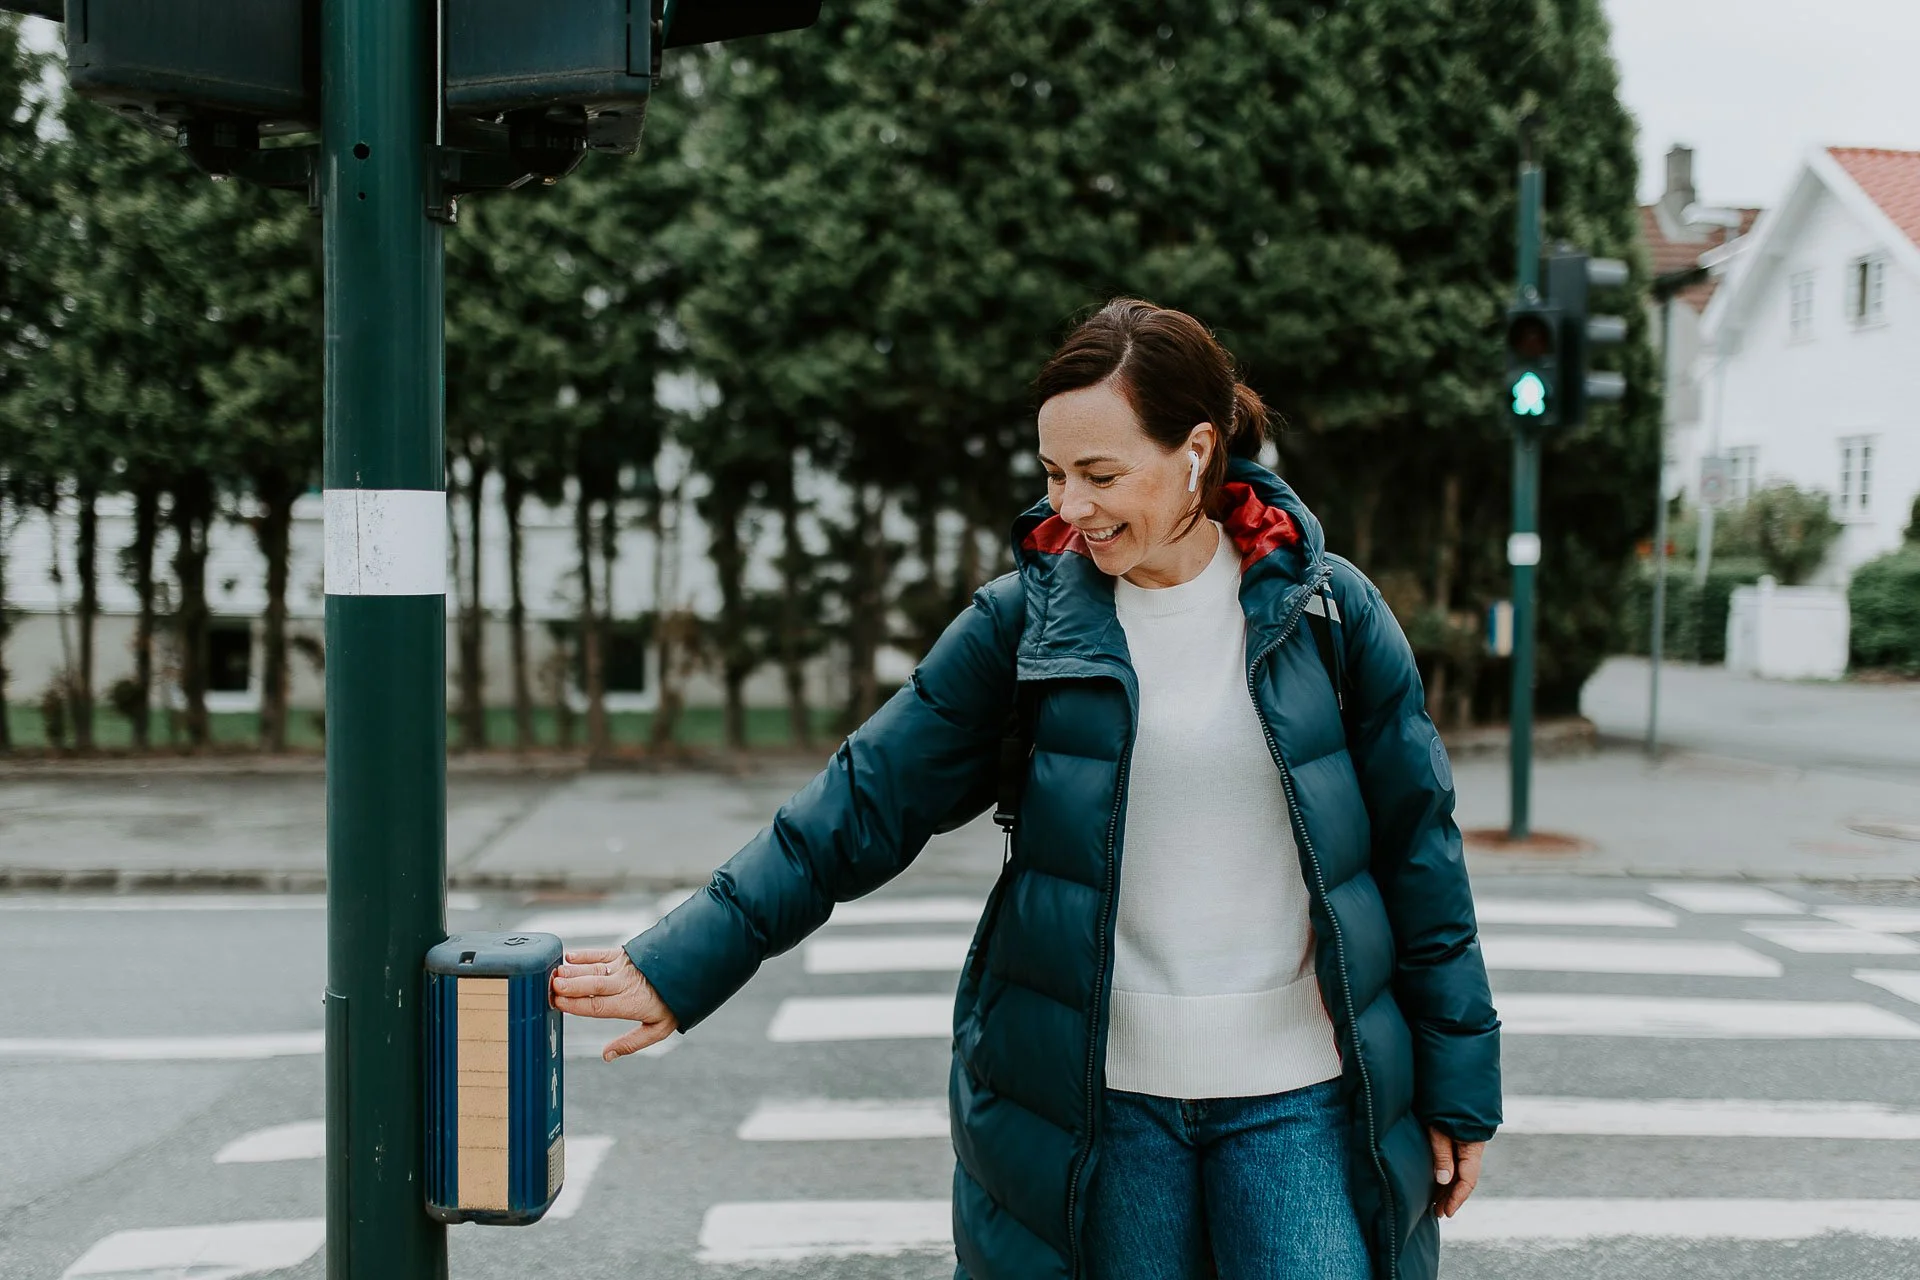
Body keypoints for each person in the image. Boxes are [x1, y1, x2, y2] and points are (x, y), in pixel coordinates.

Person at [553, 299, 1501, 1280]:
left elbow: (1419, 857)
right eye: (1054, 474)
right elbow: (867, 797)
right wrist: (684, 959)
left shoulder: (1330, 613)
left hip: (1302, 1096)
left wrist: (1460, 1088)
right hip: (1103, 1106)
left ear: (1197, 449)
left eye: (1101, 473)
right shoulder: (1026, 626)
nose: (1072, 506)